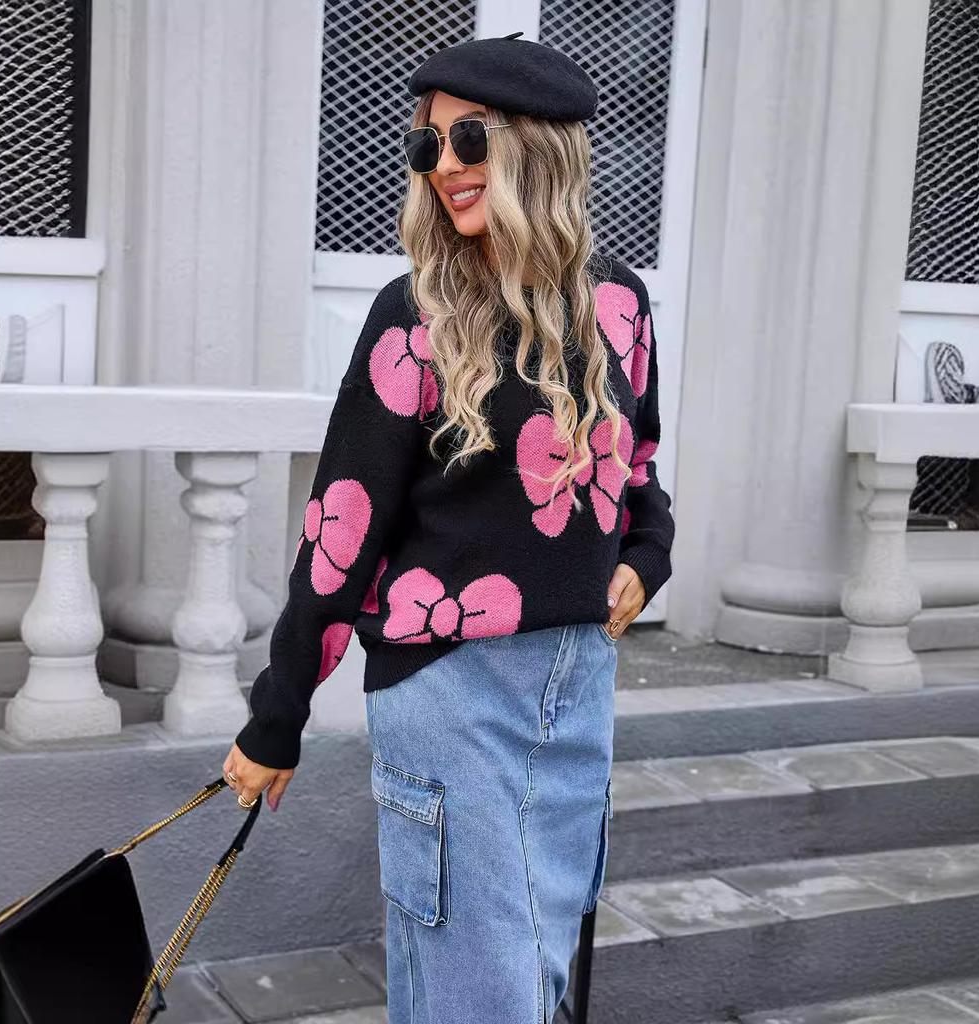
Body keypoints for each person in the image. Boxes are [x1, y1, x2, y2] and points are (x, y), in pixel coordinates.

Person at [221, 31, 675, 1023]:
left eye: (467, 138)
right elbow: (341, 531)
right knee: (481, 996)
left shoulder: (620, 304)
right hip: (451, 694)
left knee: (541, 981)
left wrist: (648, 555)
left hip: (575, 687)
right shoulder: (414, 316)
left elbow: (636, 467)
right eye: (427, 146)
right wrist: (278, 714)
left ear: (537, 145)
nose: (444, 167)